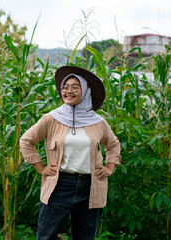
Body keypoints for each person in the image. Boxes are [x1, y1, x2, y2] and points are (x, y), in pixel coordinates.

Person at [19, 65, 121, 240]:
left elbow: (113, 145)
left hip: (90, 186)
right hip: (59, 185)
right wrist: (41, 168)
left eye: (75, 87)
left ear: (86, 91)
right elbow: (26, 141)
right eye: (65, 87)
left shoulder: (98, 122)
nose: (68, 91)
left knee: (85, 237)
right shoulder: (52, 118)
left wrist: (109, 168)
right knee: (48, 236)